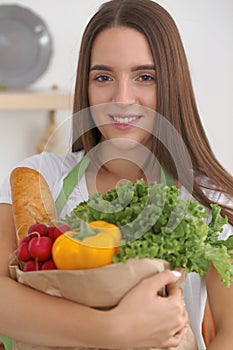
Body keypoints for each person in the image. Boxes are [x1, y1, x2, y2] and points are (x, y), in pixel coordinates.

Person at [0, 0, 232, 349]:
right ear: (87, 84)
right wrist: (114, 330)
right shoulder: (39, 177)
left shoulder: (209, 198)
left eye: (145, 77)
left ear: (171, 83)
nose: (122, 99)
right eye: (104, 77)